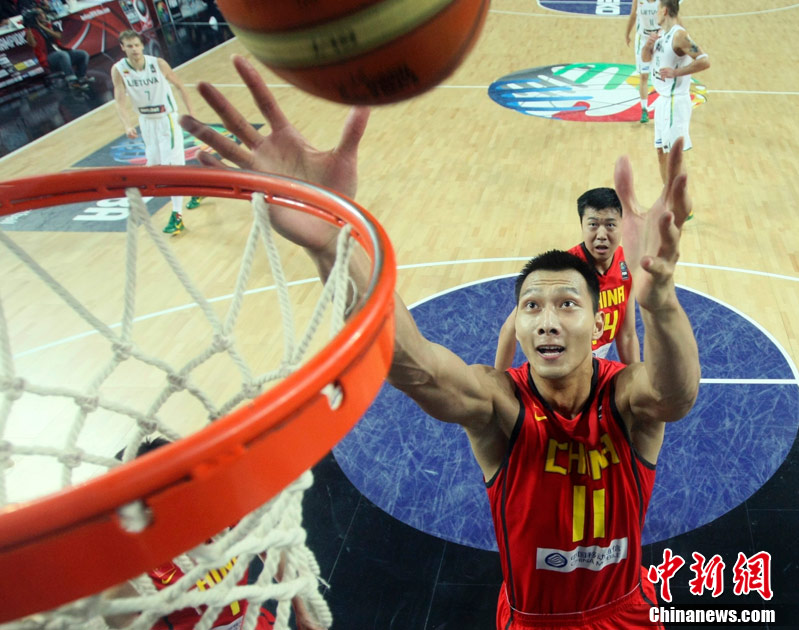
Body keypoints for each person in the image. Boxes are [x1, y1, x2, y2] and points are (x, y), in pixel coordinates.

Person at [180, 55, 700, 630]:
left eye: (567, 305)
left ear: (598, 319)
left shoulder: (626, 398)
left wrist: (659, 301)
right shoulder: (500, 405)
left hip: (625, 614)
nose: (547, 321)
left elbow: (675, 395)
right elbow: (414, 365)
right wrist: (335, 242)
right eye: (531, 306)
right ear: (518, 326)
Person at [105, 437, 325, 630]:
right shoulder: (137, 570)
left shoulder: (219, 516)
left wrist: (302, 610)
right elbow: (118, 616)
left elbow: (272, 549)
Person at [495, 187, 640, 371]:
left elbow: (627, 335)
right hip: (561, 366)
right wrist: (499, 379)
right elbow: (510, 328)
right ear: (582, 226)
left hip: (591, 367)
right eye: (593, 225)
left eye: (610, 225)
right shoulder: (562, 272)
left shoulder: (627, 264)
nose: (601, 235)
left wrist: (637, 378)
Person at [111, 30, 196, 235]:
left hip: (167, 119)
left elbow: (180, 86)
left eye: (136, 45)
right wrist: (127, 125)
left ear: (142, 45)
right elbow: (119, 100)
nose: (134, 49)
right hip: (146, 122)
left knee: (171, 169)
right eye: (129, 46)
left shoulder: (158, 64)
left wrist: (191, 115)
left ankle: (177, 216)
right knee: (155, 167)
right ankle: (195, 189)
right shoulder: (119, 69)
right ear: (123, 48)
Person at [642, 0, 710, 189]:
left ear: (664, 11)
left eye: (657, 10)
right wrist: (647, 47)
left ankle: (681, 201)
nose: (655, 13)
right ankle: (668, 197)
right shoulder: (661, 34)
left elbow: (704, 61)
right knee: (661, 152)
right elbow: (646, 60)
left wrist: (677, 72)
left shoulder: (679, 35)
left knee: (675, 156)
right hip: (662, 101)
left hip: (675, 102)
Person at [23, 7, 90, 90]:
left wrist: (42, 26)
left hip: (60, 52)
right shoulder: (32, 31)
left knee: (83, 54)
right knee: (62, 55)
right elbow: (32, 44)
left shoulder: (49, 25)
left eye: (42, 13)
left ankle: (81, 76)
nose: (42, 15)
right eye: (38, 15)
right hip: (48, 58)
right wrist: (29, 28)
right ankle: (72, 81)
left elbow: (59, 36)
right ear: (35, 18)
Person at [625, 0, 660, 123]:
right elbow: (633, 14)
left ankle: (665, 106)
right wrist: (627, 33)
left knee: (661, 74)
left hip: (659, 38)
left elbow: (669, 17)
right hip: (643, 39)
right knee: (644, 76)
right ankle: (644, 109)